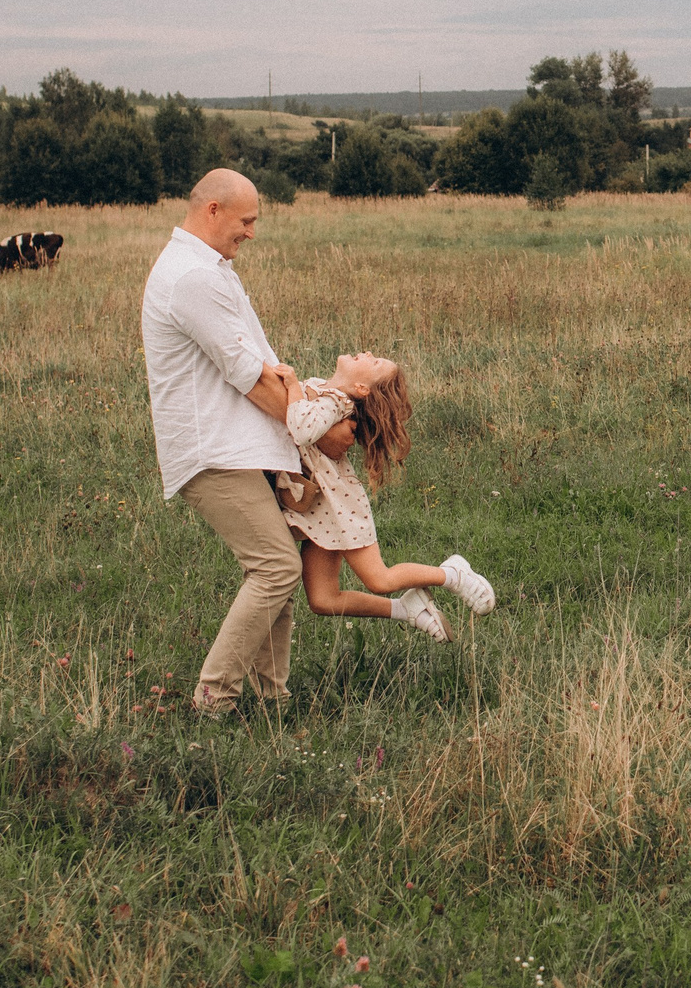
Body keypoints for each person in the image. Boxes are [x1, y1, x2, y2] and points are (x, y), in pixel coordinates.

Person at [143, 168, 339, 717]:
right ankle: (214, 699)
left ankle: (273, 703)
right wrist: (314, 429)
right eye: (246, 221)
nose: (252, 233)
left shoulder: (207, 268)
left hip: (234, 447)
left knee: (278, 571)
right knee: (276, 568)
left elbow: (264, 369)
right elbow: (251, 376)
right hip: (214, 452)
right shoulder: (192, 277)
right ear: (213, 211)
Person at [269, 352, 495, 638]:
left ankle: (452, 574)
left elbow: (302, 430)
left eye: (374, 362)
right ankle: (406, 609)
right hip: (317, 510)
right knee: (322, 600)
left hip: (338, 505)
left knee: (379, 578)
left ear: (362, 389)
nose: (367, 354)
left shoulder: (337, 402)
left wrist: (291, 387)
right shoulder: (317, 386)